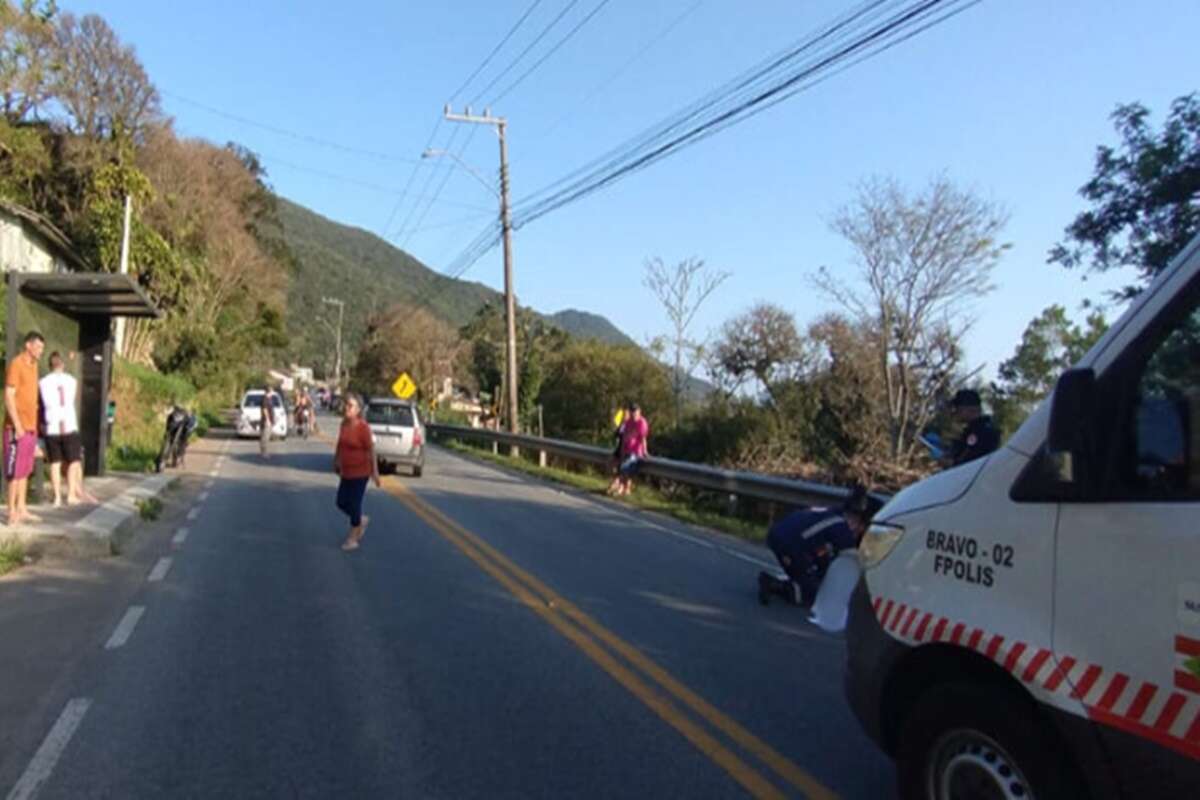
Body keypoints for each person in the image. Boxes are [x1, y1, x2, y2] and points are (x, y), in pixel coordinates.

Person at [758, 485, 884, 607]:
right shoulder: (842, 529)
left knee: (820, 567)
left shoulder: (833, 513)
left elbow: (826, 556)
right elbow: (853, 561)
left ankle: (797, 578)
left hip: (783, 535)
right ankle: (773, 584)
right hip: (789, 544)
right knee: (811, 594)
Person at [38, 352, 97, 506]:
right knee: (73, 461)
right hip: (69, 424)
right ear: (62, 365)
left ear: (50, 366)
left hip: (52, 426)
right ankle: (71, 494)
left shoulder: (43, 382)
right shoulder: (71, 381)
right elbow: (72, 398)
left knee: (55, 463)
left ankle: (57, 497)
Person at [5, 331, 44, 525]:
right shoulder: (16, 364)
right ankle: (11, 510)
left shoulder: (35, 366)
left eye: (42, 349)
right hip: (16, 427)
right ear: (28, 345)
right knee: (14, 472)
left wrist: (34, 431)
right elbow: (9, 395)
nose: (40, 351)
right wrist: (17, 425)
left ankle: (22, 507)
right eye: (38, 347)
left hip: (30, 427)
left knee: (26, 469)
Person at [333, 393, 380, 551]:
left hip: (361, 472)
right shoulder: (344, 424)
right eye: (346, 404)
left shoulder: (363, 428)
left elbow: (371, 450)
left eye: (351, 405)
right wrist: (336, 460)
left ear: (358, 410)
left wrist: (375, 472)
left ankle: (353, 539)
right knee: (340, 502)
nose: (347, 408)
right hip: (346, 472)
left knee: (355, 503)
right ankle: (360, 519)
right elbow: (340, 444)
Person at [943, 389, 1000, 468]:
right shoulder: (974, 429)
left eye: (958, 409)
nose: (955, 412)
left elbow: (968, 464)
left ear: (970, 409)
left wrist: (949, 462)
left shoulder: (982, 432)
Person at [608, 403, 649, 497]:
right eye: (632, 411)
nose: (633, 413)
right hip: (626, 450)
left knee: (624, 467)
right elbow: (624, 437)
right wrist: (622, 450)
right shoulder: (628, 422)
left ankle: (622, 488)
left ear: (639, 412)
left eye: (635, 411)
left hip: (636, 452)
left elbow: (643, 438)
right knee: (620, 467)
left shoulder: (642, 422)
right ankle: (623, 488)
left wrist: (645, 452)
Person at [259, 387, 275, 458]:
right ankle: (264, 453)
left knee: (267, 437)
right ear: (268, 392)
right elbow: (265, 410)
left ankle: (264, 452)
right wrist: (268, 420)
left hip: (269, 420)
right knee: (265, 437)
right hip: (266, 421)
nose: (272, 393)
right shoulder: (265, 399)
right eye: (272, 391)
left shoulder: (269, 399)